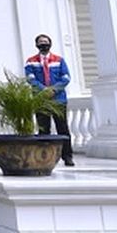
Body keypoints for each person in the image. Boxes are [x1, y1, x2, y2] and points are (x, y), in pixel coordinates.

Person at [24, 33, 74, 166]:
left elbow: (66, 77)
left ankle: (67, 156)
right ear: (36, 45)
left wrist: (53, 89)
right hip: (41, 100)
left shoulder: (59, 60)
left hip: (58, 100)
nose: (43, 44)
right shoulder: (31, 61)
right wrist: (44, 90)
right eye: (40, 42)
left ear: (50, 44)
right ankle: (44, 157)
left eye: (46, 42)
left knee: (62, 128)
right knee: (43, 129)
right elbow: (30, 78)